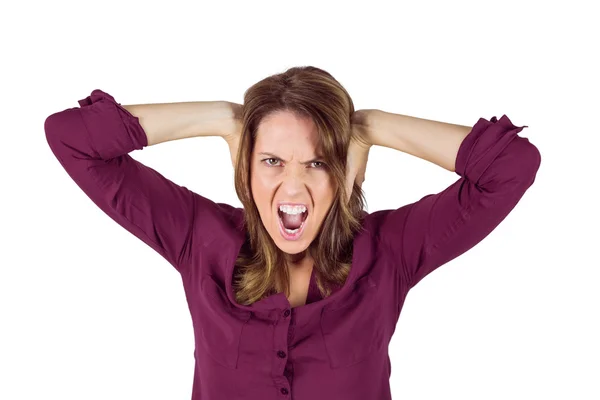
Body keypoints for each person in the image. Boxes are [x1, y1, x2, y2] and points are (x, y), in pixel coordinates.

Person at [44, 66, 541, 399]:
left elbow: (513, 166)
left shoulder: (389, 249)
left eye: (319, 162)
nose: (293, 187)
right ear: (246, 165)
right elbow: (71, 137)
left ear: (346, 171)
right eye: (271, 161)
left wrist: (370, 127)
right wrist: (223, 117)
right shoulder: (198, 235)